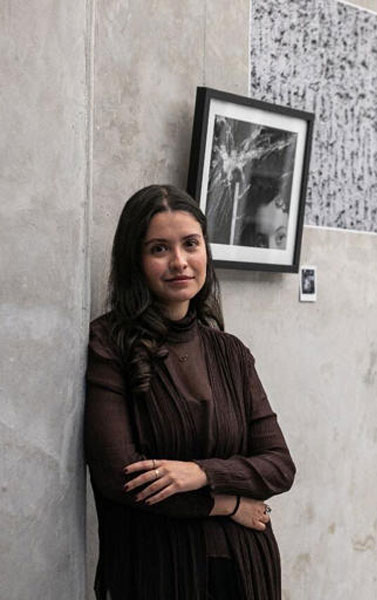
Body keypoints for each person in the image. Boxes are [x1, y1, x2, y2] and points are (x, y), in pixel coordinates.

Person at [85, 184, 295, 599]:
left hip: (248, 571)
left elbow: (279, 466)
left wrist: (201, 474)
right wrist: (228, 503)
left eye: (190, 244)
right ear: (136, 261)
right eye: (159, 249)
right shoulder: (110, 342)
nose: (179, 262)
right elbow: (120, 478)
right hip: (156, 572)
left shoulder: (231, 353)